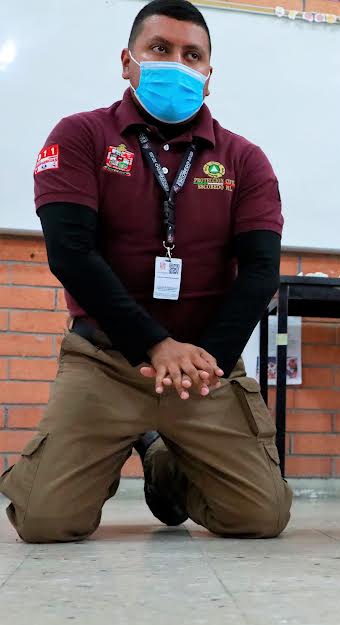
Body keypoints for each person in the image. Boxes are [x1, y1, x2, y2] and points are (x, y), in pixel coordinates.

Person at [0, 0, 293, 542]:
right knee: (44, 521)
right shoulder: (80, 136)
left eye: (192, 55)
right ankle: (90, 457)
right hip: (105, 359)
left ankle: (161, 463)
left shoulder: (244, 160)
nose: (176, 64)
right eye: (160, 49)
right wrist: (156, 346)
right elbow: (70, 255)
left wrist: (207, 360)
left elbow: (259, 272)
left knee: (260, 518)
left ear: (208, 77)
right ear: (127, 61)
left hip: (205, 366)